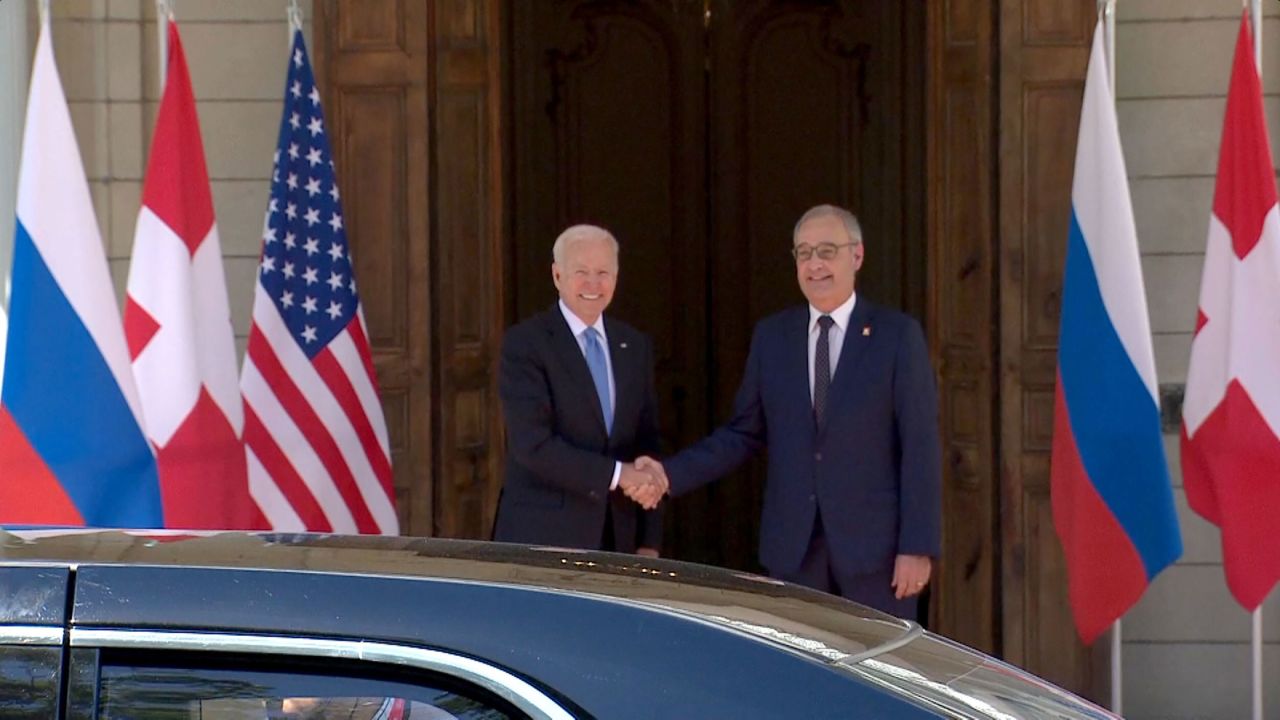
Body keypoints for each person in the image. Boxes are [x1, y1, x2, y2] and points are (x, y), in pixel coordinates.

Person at [636, 204, 941, 617]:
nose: (814, 264)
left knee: (875, 678)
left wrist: (917, 546)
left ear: (857, 255)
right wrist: (668, 475)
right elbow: (742, 433)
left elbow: (919, 446)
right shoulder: (773, 336)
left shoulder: (896, 336)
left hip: (878, 558)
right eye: (803, 252)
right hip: (795, 555)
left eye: (827, 250)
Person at [493, 224, 667, 556]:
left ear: (616, 277)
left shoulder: (633, 345)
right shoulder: (526, 343)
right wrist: (618, 475)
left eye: (603, 272)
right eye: (581, 272)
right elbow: (533, 445)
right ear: (557, 276)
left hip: (619, 538)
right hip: (544, 539)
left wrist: (649, 539)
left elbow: (647, 444)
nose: (593, 284)